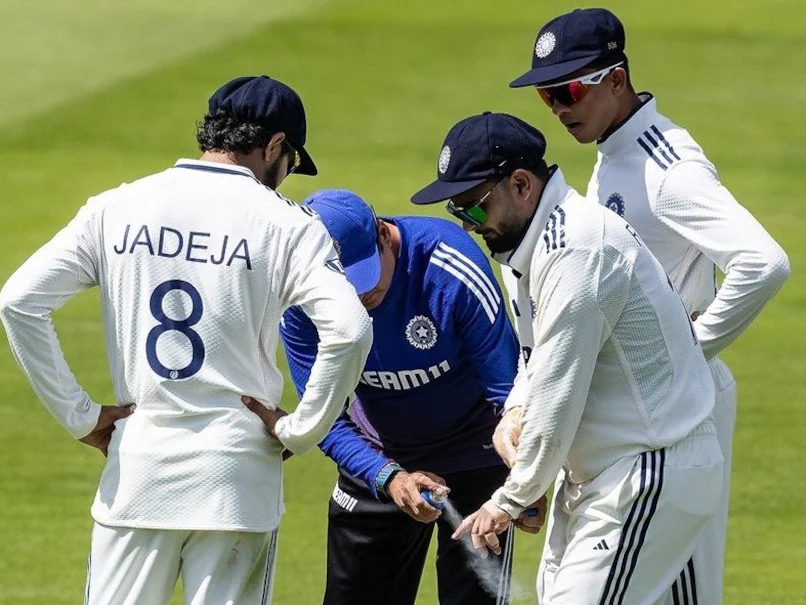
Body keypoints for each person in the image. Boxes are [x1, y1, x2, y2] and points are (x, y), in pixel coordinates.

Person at [0, 75, 372, 605]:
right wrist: (302, 430)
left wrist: (79, 415)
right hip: (236, 478)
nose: (286, 177)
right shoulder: (289, 226)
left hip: (139, 471)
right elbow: (350, 328)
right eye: (290, 162)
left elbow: (18, 301)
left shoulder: (117, 206)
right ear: (273, 146)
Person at [508, 9, 790, 603]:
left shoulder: (667, 171)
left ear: (616, 79)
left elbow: (764, 262)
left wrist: (691, 347)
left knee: (686, 592)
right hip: (645, 402)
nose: (557, 108)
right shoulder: (617, 152)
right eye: (545, 95)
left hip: (681, 405)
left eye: (568, 90)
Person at [411, 111, 724, 604]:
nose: (470, 227)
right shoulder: (529, 248)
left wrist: (510, 498)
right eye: (459, 212)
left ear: (521, 184)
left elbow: (559, 387)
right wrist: (515, 412)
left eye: (475, 209)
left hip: (647, 469)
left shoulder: (576, 250)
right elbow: (535, 359)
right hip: (609, 473)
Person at [278, 188, 520, 605]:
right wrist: (388, 476)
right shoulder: (299, 300)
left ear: (383, 235)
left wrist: (523, 484)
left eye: (362, 277)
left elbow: (511, 393)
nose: (358, 299)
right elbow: (323, 419)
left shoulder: (450, 266)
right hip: (376, 454)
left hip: (475, 450)